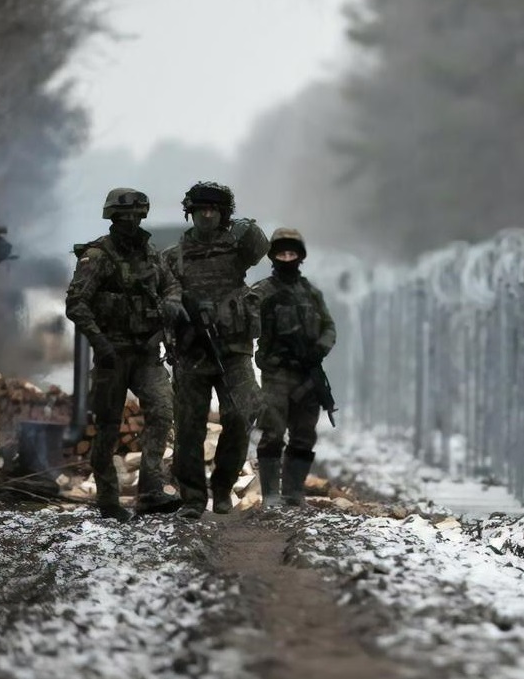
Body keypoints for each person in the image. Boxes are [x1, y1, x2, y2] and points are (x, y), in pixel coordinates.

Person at [64, 188, 182, 521]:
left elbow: (171, 286)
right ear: (112, 218)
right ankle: (108, 499)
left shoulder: (150, 253)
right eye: (123, 216)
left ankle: (150, 490)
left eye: (136, 216)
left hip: (146, 350)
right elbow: (76, 304)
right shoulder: (98, 256)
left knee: (162, 409)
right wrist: (100, 343)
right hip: (111, 353)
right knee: (108, 426)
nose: (130, 221)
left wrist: (169, 309)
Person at [162, 181, 268, 519]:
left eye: (215, 210)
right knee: (190, 425)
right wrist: (177, 308)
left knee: (240, 415)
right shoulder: (174, 257)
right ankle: (193, 498)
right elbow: (161, 298)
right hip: (192, 352)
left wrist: (244, 227)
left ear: (223, 214)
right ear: (190, 212)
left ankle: (222, 487)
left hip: (234, 349)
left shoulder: (236, 247)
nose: (207, 215)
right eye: (201, 209)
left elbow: (262, 243)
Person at [251, 228, 337, 508]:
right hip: (277, 373)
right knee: (273, 431)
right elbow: (245, 324)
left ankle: (294, 493)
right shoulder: (263, 292)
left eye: (292, 253)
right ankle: (271, 495)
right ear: (273, 257)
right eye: (281, 253)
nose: (287, 258)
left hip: (307, 375)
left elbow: (329, 327)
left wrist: (318, 350)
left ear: (300, 256)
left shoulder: (311, 292)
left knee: (304, 434)